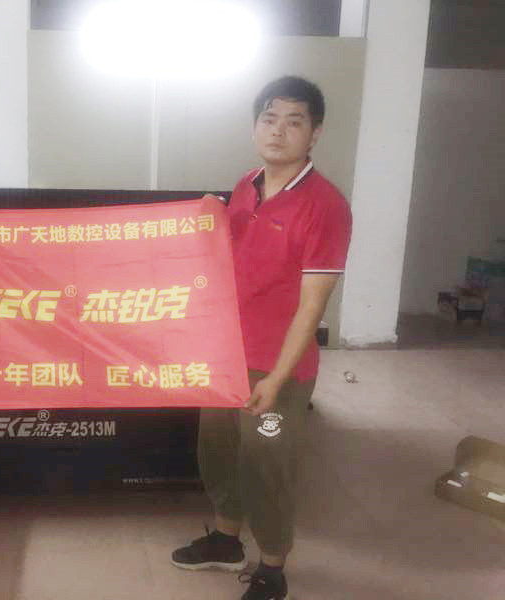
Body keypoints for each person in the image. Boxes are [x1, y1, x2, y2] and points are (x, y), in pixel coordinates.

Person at [171, 76, 352, 600]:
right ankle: (227, 540)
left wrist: (276, 379)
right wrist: (211, 218)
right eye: (269, 119)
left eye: (294, 121)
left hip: (278, 368)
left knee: (267, 463)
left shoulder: (325, 206)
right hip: (225, 355)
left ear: (315, 133)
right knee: (219, 451)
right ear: (255, 126)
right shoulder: (247, 183)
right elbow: (229, 261)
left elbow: (312, 306)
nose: (278, 131)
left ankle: (272, 565)